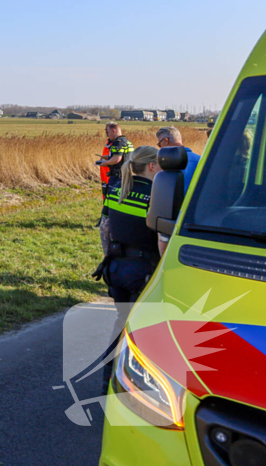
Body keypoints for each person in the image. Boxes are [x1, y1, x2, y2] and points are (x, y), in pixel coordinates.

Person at [99, 145, 161, 392]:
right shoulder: (157, 195)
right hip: (143, 271)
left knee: (120, 328)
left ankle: (106, 385)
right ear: (152, 166)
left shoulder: (116, 188)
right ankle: (138, 392)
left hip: (115, 268)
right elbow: (162, 239)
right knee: (143, 335)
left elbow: (104, 228)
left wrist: (110, 259)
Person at [95, 123, 133, 255]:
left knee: (110, 202)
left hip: (117, 177)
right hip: (126, 176)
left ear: (114, 130)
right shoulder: (127, 142)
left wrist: (105, 163)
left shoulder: (118, 143)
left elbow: (117, 159)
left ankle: (108, 225)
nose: (107, 135)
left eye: (108, 132)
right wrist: (107, 157)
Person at [156, 126, 201, 194]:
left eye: (159, 144)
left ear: (166, 141)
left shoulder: (169, 164)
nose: (160, 148)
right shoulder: (201, 160)